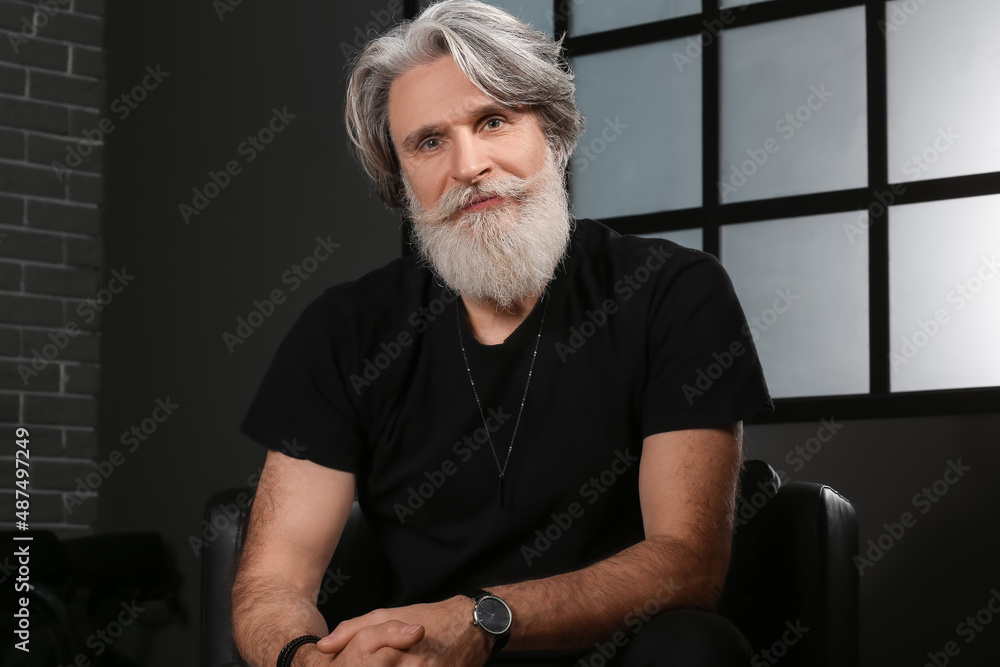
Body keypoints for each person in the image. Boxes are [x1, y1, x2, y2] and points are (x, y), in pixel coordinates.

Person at [232, 1, 773, 666]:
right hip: (423, 661)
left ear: (551, 134)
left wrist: (482, 618)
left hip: (622, 654)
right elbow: (272, 581)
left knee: (696, 648)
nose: (469, 165)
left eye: (493, 121)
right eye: (428, 142)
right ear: (403, 183)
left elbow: (687, 564)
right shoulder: (345, 330)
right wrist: (306, 660)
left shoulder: (672, 292)